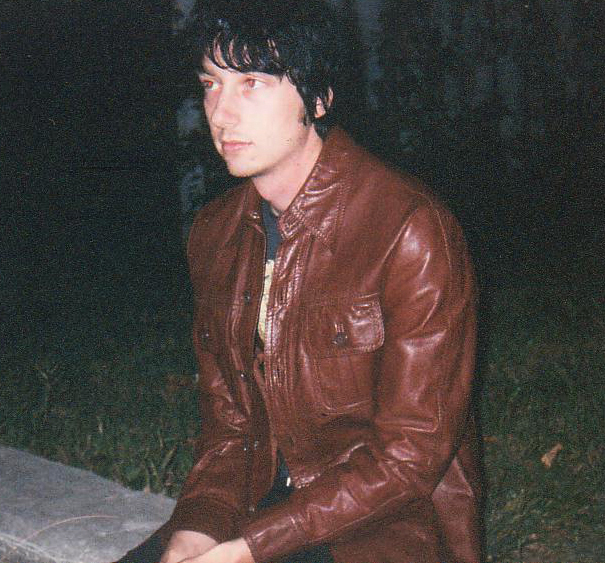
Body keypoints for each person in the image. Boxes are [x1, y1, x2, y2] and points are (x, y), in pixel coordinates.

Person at [115, 0, 482, 561]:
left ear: (318, 98)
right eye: (211, 84)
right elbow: (229, 427)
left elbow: (409, 458)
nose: (222, 113)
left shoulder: (408, 229)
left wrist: (251, 547)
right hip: (259, 506)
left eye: (253, 84)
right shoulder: (216, 232)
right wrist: (198, 525)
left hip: (383, 527)